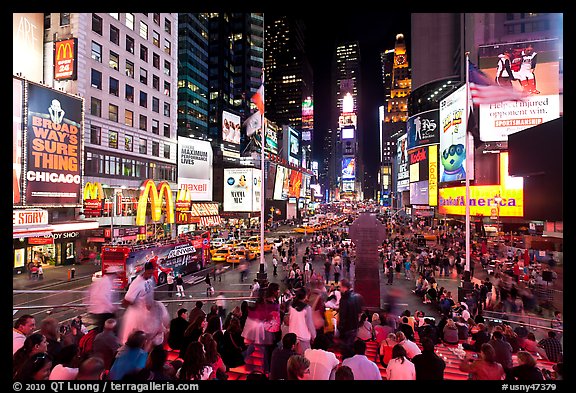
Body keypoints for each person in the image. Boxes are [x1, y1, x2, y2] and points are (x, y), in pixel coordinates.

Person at [119, 261, 156, 345]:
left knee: (145, 340)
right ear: (144, 271)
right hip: (136, 318)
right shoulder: (136, 284)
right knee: (134, 341)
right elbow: (126, 301)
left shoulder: (150, 280)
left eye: (152, 273)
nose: (150, 275)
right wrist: (136, 305)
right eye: (149, 273)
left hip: (146, 316)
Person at [87, 265, 122, 333]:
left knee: (102, 328)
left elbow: (90, 292)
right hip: (103, 310)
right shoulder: (106, 283)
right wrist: (112, 307)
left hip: (99, 310)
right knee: (108, 328)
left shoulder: (102, 281)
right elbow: (104, 297)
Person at [337, 278, 364, 359]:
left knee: (345, 351)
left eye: (340, 287)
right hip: (354, 328)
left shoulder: (344, 300)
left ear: (345, 287)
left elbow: (342, 316)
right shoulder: (357, 297)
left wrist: (340, 329)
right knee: (351, 348)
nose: (339, 289)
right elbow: (360, 313)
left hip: (346, 329)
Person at [288, 288, 317, 354]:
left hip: (293, 336)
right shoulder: (307, 308)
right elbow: (309, 323)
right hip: (304, 336)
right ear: (305, 296)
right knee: (305, 358)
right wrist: (314, 336)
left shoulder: (291, 306)